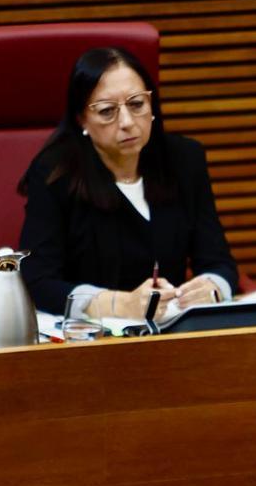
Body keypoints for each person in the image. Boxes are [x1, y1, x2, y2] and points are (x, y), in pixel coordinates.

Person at [18, 46, 238, 318]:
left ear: (152, 105)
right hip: (89, 340)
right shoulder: (55, 174)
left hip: (171, 332)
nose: (126, 122)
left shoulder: (184, 159)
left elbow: (219, 262)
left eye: (136, 104)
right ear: (81, 119)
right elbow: (36, 282)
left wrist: (212, 287)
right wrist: (115, 305)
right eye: (107, 111)